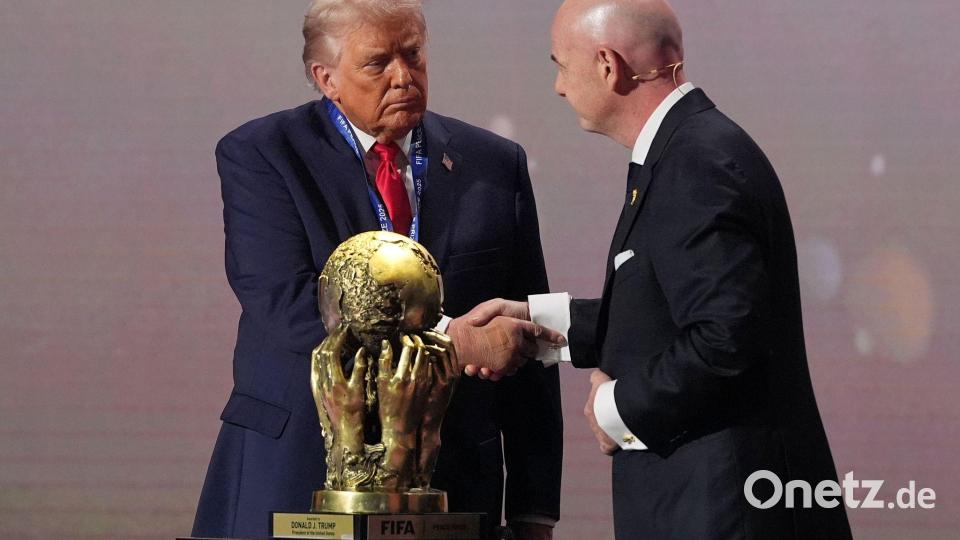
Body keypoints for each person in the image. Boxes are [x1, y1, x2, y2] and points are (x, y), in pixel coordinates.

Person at [469, 0, 853, 537]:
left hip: (726, 513)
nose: (558, 87)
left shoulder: (696, 163)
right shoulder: (686, 149)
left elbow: (724, 340)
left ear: (608, 65)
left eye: (561, 65)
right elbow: (670, 308)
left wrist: (616, 409)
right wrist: (544, 327)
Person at [190, 1, 562, 539]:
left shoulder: (494, 164)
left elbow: (528, 336)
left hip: (453, 478)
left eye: (413, 55)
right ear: (326, 78)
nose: (403, 76)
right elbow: (288, 305)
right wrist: (452, 342)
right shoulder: (263, 154)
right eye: (378, 63)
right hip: (297, 472)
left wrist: (534, 511)